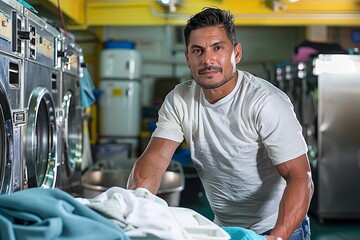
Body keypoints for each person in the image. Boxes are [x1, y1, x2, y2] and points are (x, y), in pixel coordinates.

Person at [127, 7, 314, 240]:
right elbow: (154, 162)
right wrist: (130, 213)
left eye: (217, 48)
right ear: (188, 58)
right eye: (198, 50)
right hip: (223, 229)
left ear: (236, 53)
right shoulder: (179, 99)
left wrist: (277, 236)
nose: (208, 59)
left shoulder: (266, 102)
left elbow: (300, 177)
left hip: (278, 226)